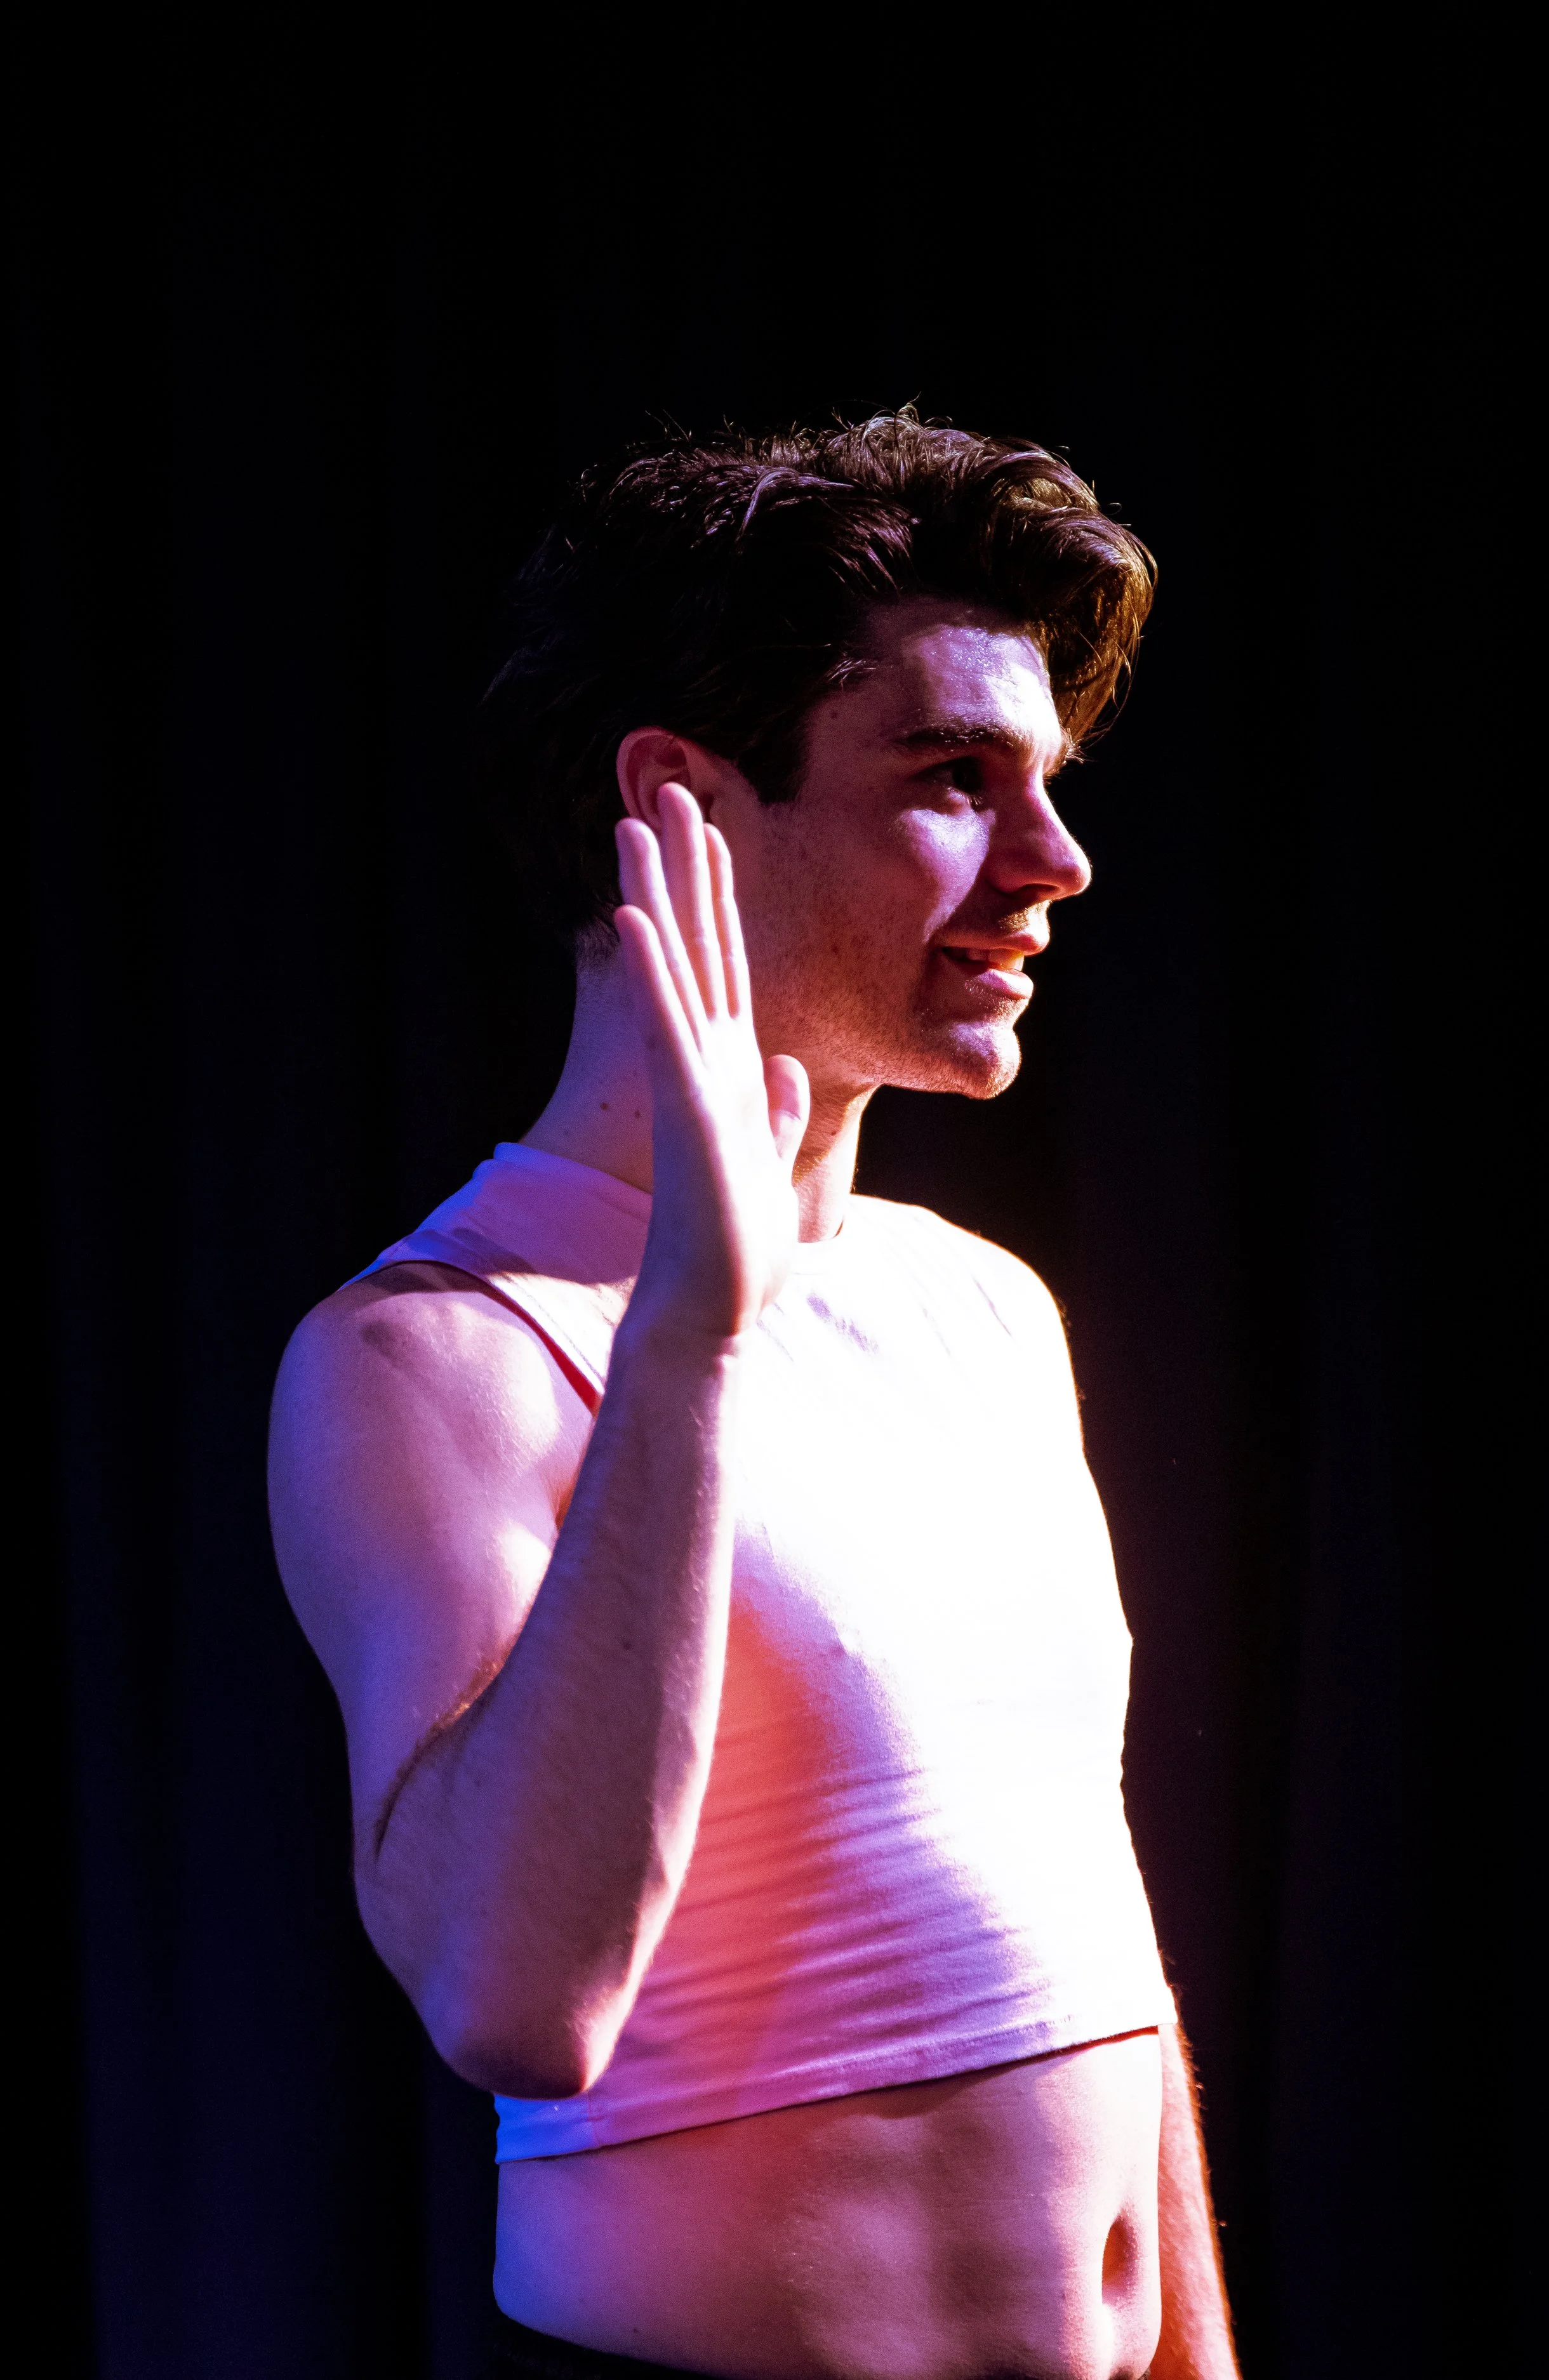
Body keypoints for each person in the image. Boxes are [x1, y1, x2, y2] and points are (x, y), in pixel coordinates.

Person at [269, 416, 1242, 2380]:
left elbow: (1096, 1941)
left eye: (1045, 785)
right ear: (685, 804)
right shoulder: (431, 1353)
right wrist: (686, 1346)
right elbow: (513, 1999)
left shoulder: (982, 1307)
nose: (1053, 863)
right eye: (953, 778)